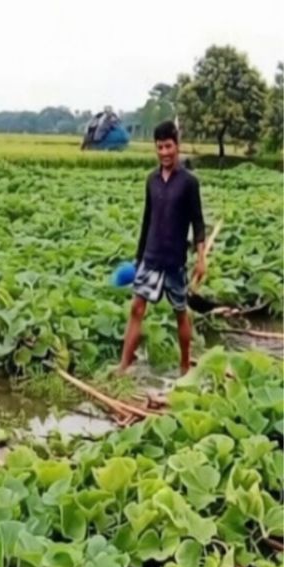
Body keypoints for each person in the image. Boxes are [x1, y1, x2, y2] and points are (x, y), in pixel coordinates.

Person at [117, 120, 206, 377]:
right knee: (136, 309)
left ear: (177, 146)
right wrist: (138, 258)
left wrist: (201, 258)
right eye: (160, 147)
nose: (164, 152)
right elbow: (147, 221)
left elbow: (198, 222)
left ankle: (185, 366)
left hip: (174, 260)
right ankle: (124, 366)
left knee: (180, 313)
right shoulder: (151, 181)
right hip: (151, 257)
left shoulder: (189, 182)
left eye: (168, 146)